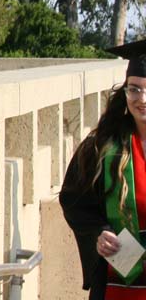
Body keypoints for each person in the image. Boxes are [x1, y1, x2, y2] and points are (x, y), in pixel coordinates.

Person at [61, 41, 146, 298]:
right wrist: (100, 232)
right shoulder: (103, 148)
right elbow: (74, 201)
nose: (141, 99)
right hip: (119, 279)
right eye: (135, 89)